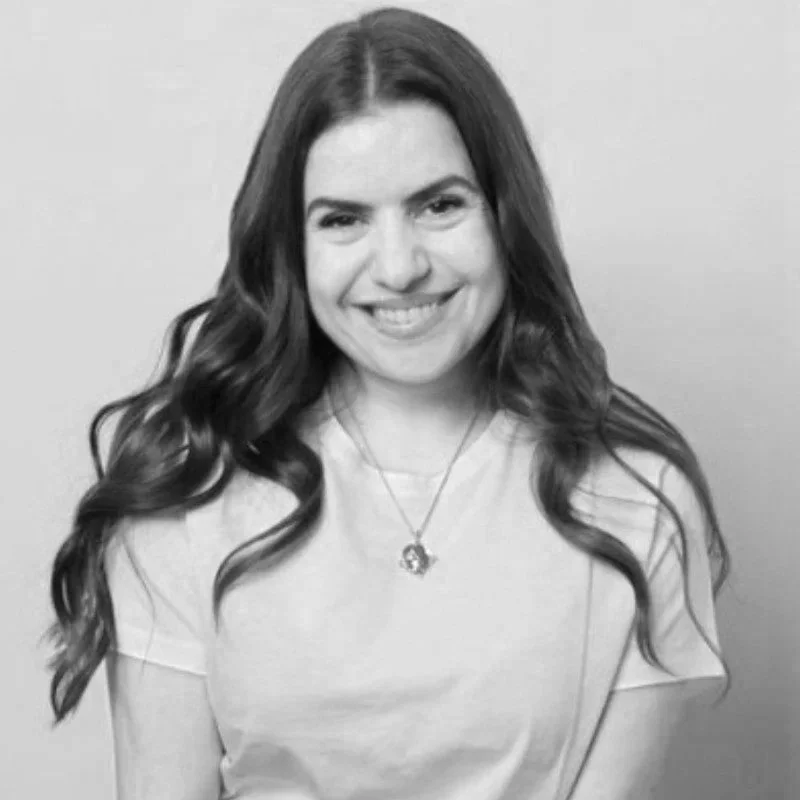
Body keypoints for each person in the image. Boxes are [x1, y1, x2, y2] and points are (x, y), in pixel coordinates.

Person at [47, 6, 731, 799]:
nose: (400, 266)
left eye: (439, 205)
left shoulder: (634, 497)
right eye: (343, 220)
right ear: (291, 250)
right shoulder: (189, 492)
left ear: (505, 215)